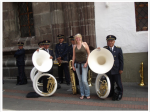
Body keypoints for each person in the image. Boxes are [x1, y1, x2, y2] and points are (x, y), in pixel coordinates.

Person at [97, 35, 124, 101]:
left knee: (118, 82)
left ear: (114, 42)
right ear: (107, 42)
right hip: (108, 69)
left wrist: (121, 69)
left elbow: (121, 60)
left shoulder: (118, 49)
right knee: (110, 82)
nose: (110, 42)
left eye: (111, 41)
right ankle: (111, 93)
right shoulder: (105, 48)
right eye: (109, 41)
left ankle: (120, 93)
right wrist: (98, 51)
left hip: (116, 69)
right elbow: (101, 55)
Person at [72, 33, 90, 99]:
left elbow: (89, 54)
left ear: (81, 38)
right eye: (76, 38)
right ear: (75, 39)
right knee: (80, 80)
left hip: (84, 64)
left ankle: (87, 93)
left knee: (84, 80)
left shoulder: (85, 44)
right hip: (77, 65)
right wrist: (72, 65)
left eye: (79, 37)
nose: (78, 39)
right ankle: (82, 94)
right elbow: (74, 56)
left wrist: (87, 63)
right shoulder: (74, 46)